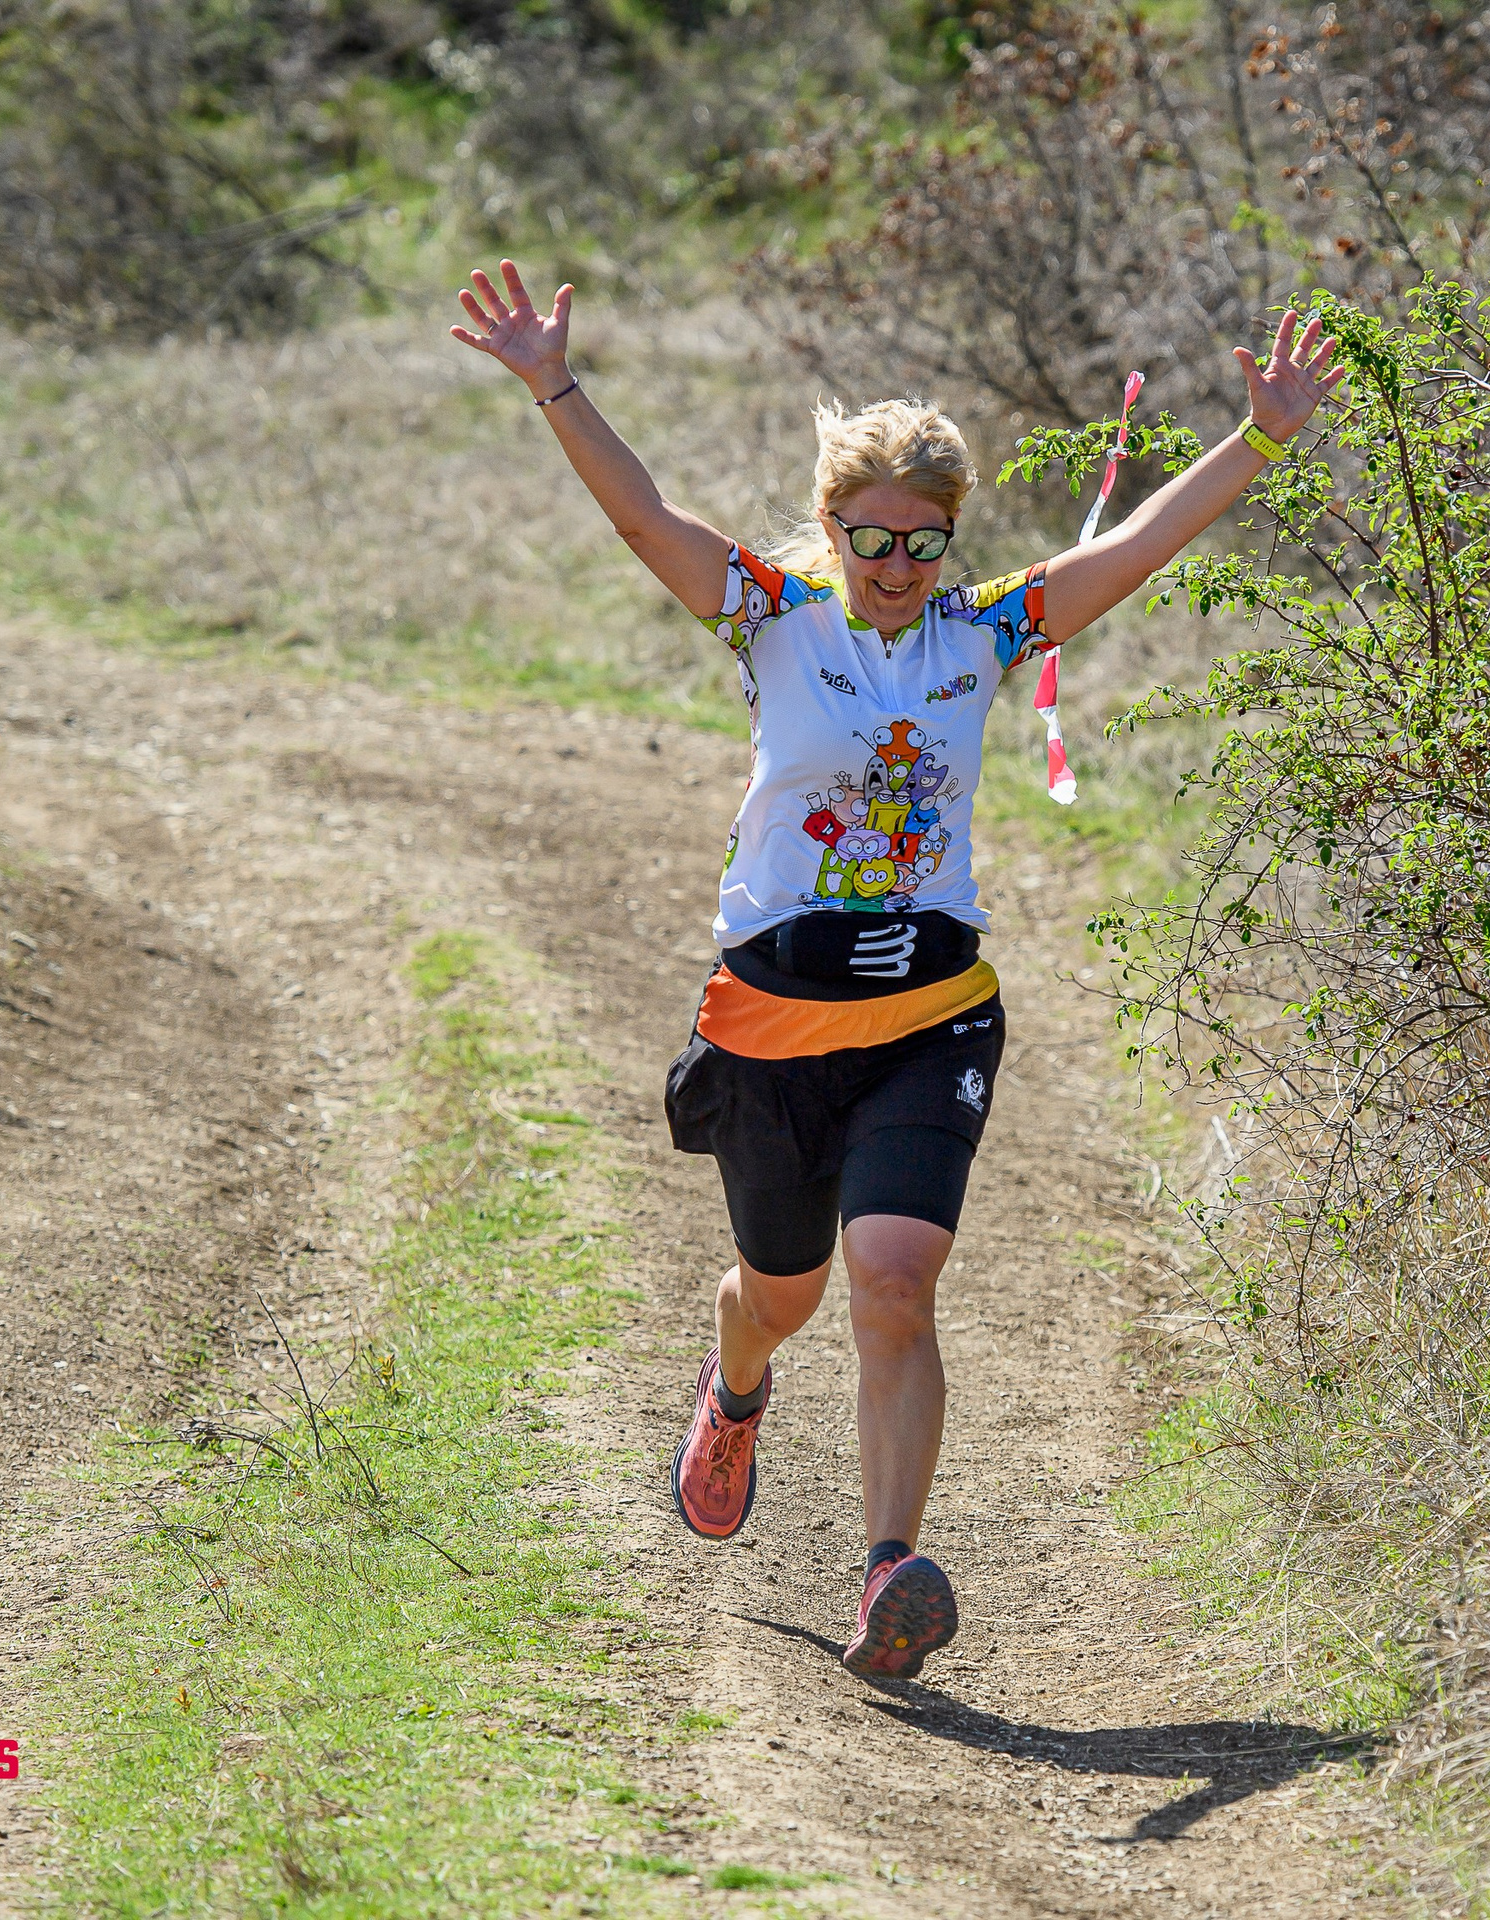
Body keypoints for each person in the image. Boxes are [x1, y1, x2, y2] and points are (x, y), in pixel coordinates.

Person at [448, 261, 1341, 1680]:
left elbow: (1144, 549)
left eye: (922, 545)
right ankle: (736, 1388)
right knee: (782, 1290)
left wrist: (1265, 437)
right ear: (833, 526)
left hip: (930, 1013)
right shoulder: (767, 617)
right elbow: (641, 516)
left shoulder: (983, 632)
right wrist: (555, 382)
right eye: (871, 540)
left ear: (950, 543)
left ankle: (888, 1575)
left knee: (895, 1275)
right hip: (769, 1019)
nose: (895, 569)